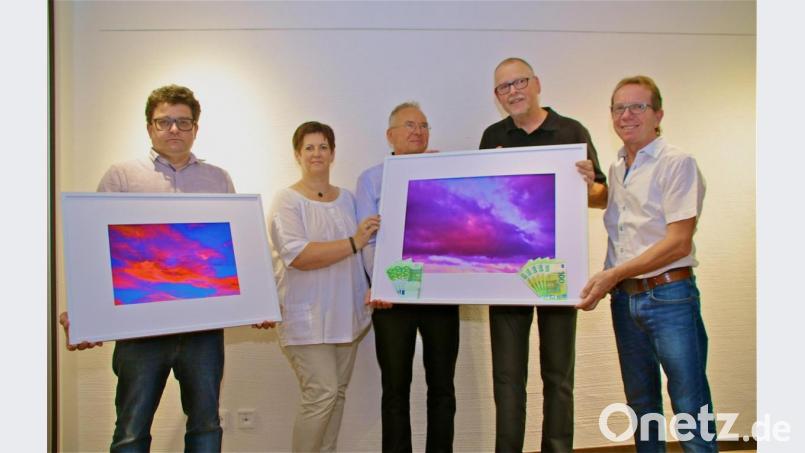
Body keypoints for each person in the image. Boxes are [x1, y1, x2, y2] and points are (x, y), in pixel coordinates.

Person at [59, 84, 258, 452]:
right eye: (164, 122)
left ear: (196, 128)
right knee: (132, 430)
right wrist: (85, 312)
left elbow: (235, 251)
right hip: (140, 329)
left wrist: (257, 302)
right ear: (149, 127)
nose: (173, 130)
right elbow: (94, 250)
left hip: (202, 327)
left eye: (183, 123)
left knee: (206, 426)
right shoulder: (121, 176)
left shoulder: (218, 179)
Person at [577, 75, 716, 452]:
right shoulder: (619, 166)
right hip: (625, 301)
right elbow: (612, 203)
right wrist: (573, 183)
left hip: (669, 296)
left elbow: (678, 242)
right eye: (618, 108)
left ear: (658, 114)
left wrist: (611, 275)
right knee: (642, 407)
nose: (626, 115)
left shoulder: (677, 163)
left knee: (690, 404)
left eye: (637, 107)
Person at [479, 57, 608, 453]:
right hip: (506, 275)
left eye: (519, 82)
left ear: (536, 83)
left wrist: (588, 184)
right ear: (497, 97)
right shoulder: (492, 135)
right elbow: (484, 204)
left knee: (558, 376)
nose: (513, 91)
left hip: (559, 272)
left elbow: (602, 197)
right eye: (504, 87)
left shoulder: (571, 131)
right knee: (507, 378)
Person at [268, 121, 379, 452]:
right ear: (297, 154)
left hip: (346, 313)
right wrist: (354, 241)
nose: (317, 153)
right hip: (306, 318)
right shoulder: (286, 201)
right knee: (322, 393)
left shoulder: (347, 198)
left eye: (323, 147)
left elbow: (368, 249)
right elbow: (299, 255)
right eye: (309, 148)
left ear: (332, 153)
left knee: (337, 393)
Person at [357, 102, 459, 453]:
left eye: (424, 125)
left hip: (440, 293)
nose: (418, 131)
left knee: (443, 386)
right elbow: (367, 240)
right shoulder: (371, 178)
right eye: (409, 125)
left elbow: (463, 227)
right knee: (395, 388)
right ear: (391, 135)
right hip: (392, 299)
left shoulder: (444, 172)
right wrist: (379, 284)